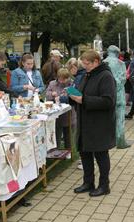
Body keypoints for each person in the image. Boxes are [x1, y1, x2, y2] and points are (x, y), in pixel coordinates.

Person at [70, 50, 116, 197]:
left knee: (101, 155)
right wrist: (73, 95)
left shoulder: (106, 76)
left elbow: (108, 101)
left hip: (99, 124)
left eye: (87, 63)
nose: (85, 66)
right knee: (85, 153)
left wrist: (84, 100)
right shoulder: (87, 74)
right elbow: (82, 93)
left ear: (96, 62)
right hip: (85, 122)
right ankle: (88, 182)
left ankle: (104, 185)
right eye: (83, 63)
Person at [104, 45, 130, 149]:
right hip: (119, 95)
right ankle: (120, 141)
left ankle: (108, 141)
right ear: (117, 53)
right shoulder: (121, 63)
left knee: (108, 118)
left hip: (106, 95)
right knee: (120, 118)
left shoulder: (103, 63)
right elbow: (123, 80)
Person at [46, 68, 76, 149]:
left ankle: (68, 152)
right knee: (56, 134)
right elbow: (47, 94)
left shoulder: (72, 84)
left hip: (69, 115)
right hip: (56, 116)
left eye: (64, 79)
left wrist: (64, 97)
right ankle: (56, 150)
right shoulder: (52, 84)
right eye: (60, 79)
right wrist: (52, 94)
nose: (62, 81)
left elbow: (74, 98)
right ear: (57, 77)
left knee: (68, 135)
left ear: (68, 78)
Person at [65, 57, 86, 170]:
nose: (70, 73)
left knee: (81, 136)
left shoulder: (79, 77)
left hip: (81, 109)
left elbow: (78, 94)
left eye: (70, 70)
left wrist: (69, 92)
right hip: (82, 108)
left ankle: (84, 161)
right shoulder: (82, 75)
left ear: (74, 67)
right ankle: (84, 160)